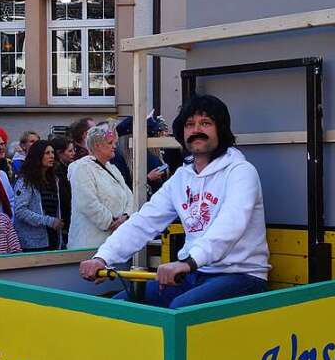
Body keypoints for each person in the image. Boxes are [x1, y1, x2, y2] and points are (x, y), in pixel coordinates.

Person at [79, 95, 270, 309]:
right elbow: (144, 222)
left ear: (221, 130)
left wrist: (188, 262)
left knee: (179, 310)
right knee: (119, 307)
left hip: (241, 276)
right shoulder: (181, 177)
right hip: (193, 273)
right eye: (190, 124)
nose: (196, 130)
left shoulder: (241, 172)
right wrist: (103, 258)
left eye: (205, 123)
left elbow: (231, 225)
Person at [67, 123, 135, 250]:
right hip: (89, 243)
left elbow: (129, 195)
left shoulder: (113, 168)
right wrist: (110, 222)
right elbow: (87, 202)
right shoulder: (81, 168)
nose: (115, 146)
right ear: (97, 145)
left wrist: (126, 216)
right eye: (110, 143)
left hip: (114, 241)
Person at [13, 140, 64, 251]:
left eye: (52, 153)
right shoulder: (25, 181)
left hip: (53, 239)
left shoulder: (54, 180)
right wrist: (48, 221)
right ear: (38, 156)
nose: (52, 156)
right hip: (33, 242)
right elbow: (20, 211)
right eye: (47, 153)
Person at [51, 136, 75, 246]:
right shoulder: (56, 172)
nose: (73, 153)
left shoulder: (68, 168)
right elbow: (65, 197)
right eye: (70, 151)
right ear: (60, 153)